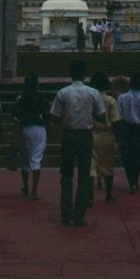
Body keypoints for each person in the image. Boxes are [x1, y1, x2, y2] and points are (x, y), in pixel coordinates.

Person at [50, 59, 106, 226]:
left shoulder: (62, 93)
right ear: (84, 74)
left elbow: (55, 117)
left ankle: (66, 213)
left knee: (66, 175)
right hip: (85, 135)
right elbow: (102, 116)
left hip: (68, 135)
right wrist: (88, 115)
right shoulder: (93, 93)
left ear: (70, 73)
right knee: (84, 175)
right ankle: (80, 215)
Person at [14, 74, 49, 201]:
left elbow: (15, 117)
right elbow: (46, 114)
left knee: (25, 158)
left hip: (24, 128)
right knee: (36, 159)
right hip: (39, 128)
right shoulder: (41, 97)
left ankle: (25, 186)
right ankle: (34, 190)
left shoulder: (20, 98)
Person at [87, 71, 121, 204]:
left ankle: (90, 197)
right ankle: (108, 194)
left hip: (91, 133)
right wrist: (118, 139)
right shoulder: (111, 100)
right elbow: (116, 121)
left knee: (90, 167)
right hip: (107, 134)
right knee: (108, 165)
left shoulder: (89, 98)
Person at [117, 73, 140, 193]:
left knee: (126, 155)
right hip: (139, 129)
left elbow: (119, 115)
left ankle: (131, 180)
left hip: (126, 128)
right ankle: (135, 180)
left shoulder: (122, 97)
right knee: (137, 155)